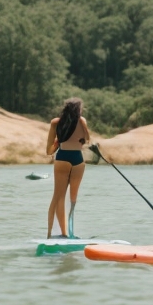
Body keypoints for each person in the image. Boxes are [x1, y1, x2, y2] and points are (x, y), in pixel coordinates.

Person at [45, 98, 91, 238]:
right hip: (78, 160)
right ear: (79, 110)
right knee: (73, 199)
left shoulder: (55, 123)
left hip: (62, 158)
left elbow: (49, 151)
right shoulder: (82, 121)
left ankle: (52, 234)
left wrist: (58, 143)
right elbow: (87, 139)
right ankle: (71, 233)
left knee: (58, 197)